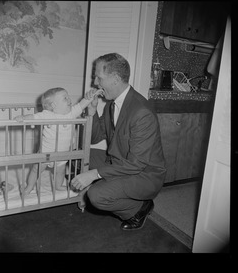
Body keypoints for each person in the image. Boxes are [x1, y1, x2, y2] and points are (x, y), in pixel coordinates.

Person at [71, 53, 167, 230]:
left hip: (144, 174)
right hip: (119, 161)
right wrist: (91, 112)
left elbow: (136, 164)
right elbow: (94, 138)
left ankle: (139, 209)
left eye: (99, 78)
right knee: (77, 156)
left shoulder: (141, 112)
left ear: (115, 79)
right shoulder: (111, 105)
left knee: (97, 195)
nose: (95, 83)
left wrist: (93, 175)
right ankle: (108, 184)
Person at [14, 87, 102, 195]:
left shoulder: (71, 114)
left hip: (62, 154)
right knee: (35, 170)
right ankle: (29, 186)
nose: (69, 100)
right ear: (53, 105)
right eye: (65, 98)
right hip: (46, 154)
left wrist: (93, 95)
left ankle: (58, 185)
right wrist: (22, 117)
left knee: (60, 172)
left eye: (68, 96)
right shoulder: (47, 115)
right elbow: (33, 117)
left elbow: (82, 104)